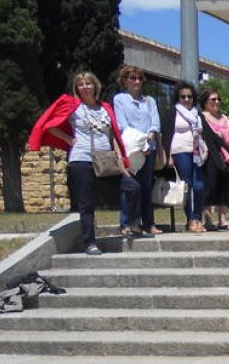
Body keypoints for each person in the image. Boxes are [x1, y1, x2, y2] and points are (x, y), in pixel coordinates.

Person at [28, 71, 140, 255]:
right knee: (87, 204)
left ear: (95, 85)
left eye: (88, 83)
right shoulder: (73, 106)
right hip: (81, 159)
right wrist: (69, 139)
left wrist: (120, 160)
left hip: (105, 159)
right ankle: (90, 242)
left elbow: (113, 137)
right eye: (81, 84)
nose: (85, 87)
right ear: (77, 88)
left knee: (133, 187)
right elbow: (50, 125)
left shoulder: (105, 108)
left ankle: (131, 224)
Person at [111, 65, 162, 236]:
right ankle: (127, 223)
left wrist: (149, 140)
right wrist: (141, 143)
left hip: (149, 147)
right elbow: (122, 125)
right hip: (132, 148)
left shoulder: (150, 101)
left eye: (139, 78)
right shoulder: (120, 99)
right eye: (132, 78)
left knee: (146, 187)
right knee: (131, 186)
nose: (137, 81)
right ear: (125, 80)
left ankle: (148, 223)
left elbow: (155, 123)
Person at [161, 82, 208, 233]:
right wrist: (168, 156)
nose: (187, 99)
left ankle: (197, 217)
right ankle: (191, 219)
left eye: (189, 96)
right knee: (187, 186)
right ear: (178, 98)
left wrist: (204, 147)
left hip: (196, 152)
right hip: (180, 152)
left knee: (199, 186)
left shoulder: (197, 114)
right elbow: (167, 135)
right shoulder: (172, 113)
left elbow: (201, 133)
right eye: (183, 96)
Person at [198, 89, 229, 231]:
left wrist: (222, 135)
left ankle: (223, 220)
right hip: (210, 155)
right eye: (213, 99)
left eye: (218, 99)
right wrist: (222, 135)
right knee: (210, 187)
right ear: (205, 102)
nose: (216, 102)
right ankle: (208, 219)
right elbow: (209, 135)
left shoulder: (224, 117)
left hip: (225, 156)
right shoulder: (202, 117)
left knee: (224, 187)